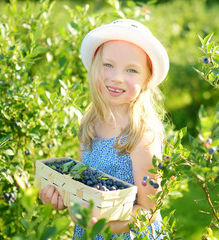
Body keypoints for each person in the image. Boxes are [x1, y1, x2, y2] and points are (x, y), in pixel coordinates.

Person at [39, 19, 169, 240]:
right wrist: (63, 195)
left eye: (131, 70)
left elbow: (149, 212)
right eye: (108, 65)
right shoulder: (89, 124)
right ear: (95, 68)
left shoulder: (141, 136)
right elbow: (85, 184)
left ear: (147, 80)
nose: (117, 77)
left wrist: (99, 224)